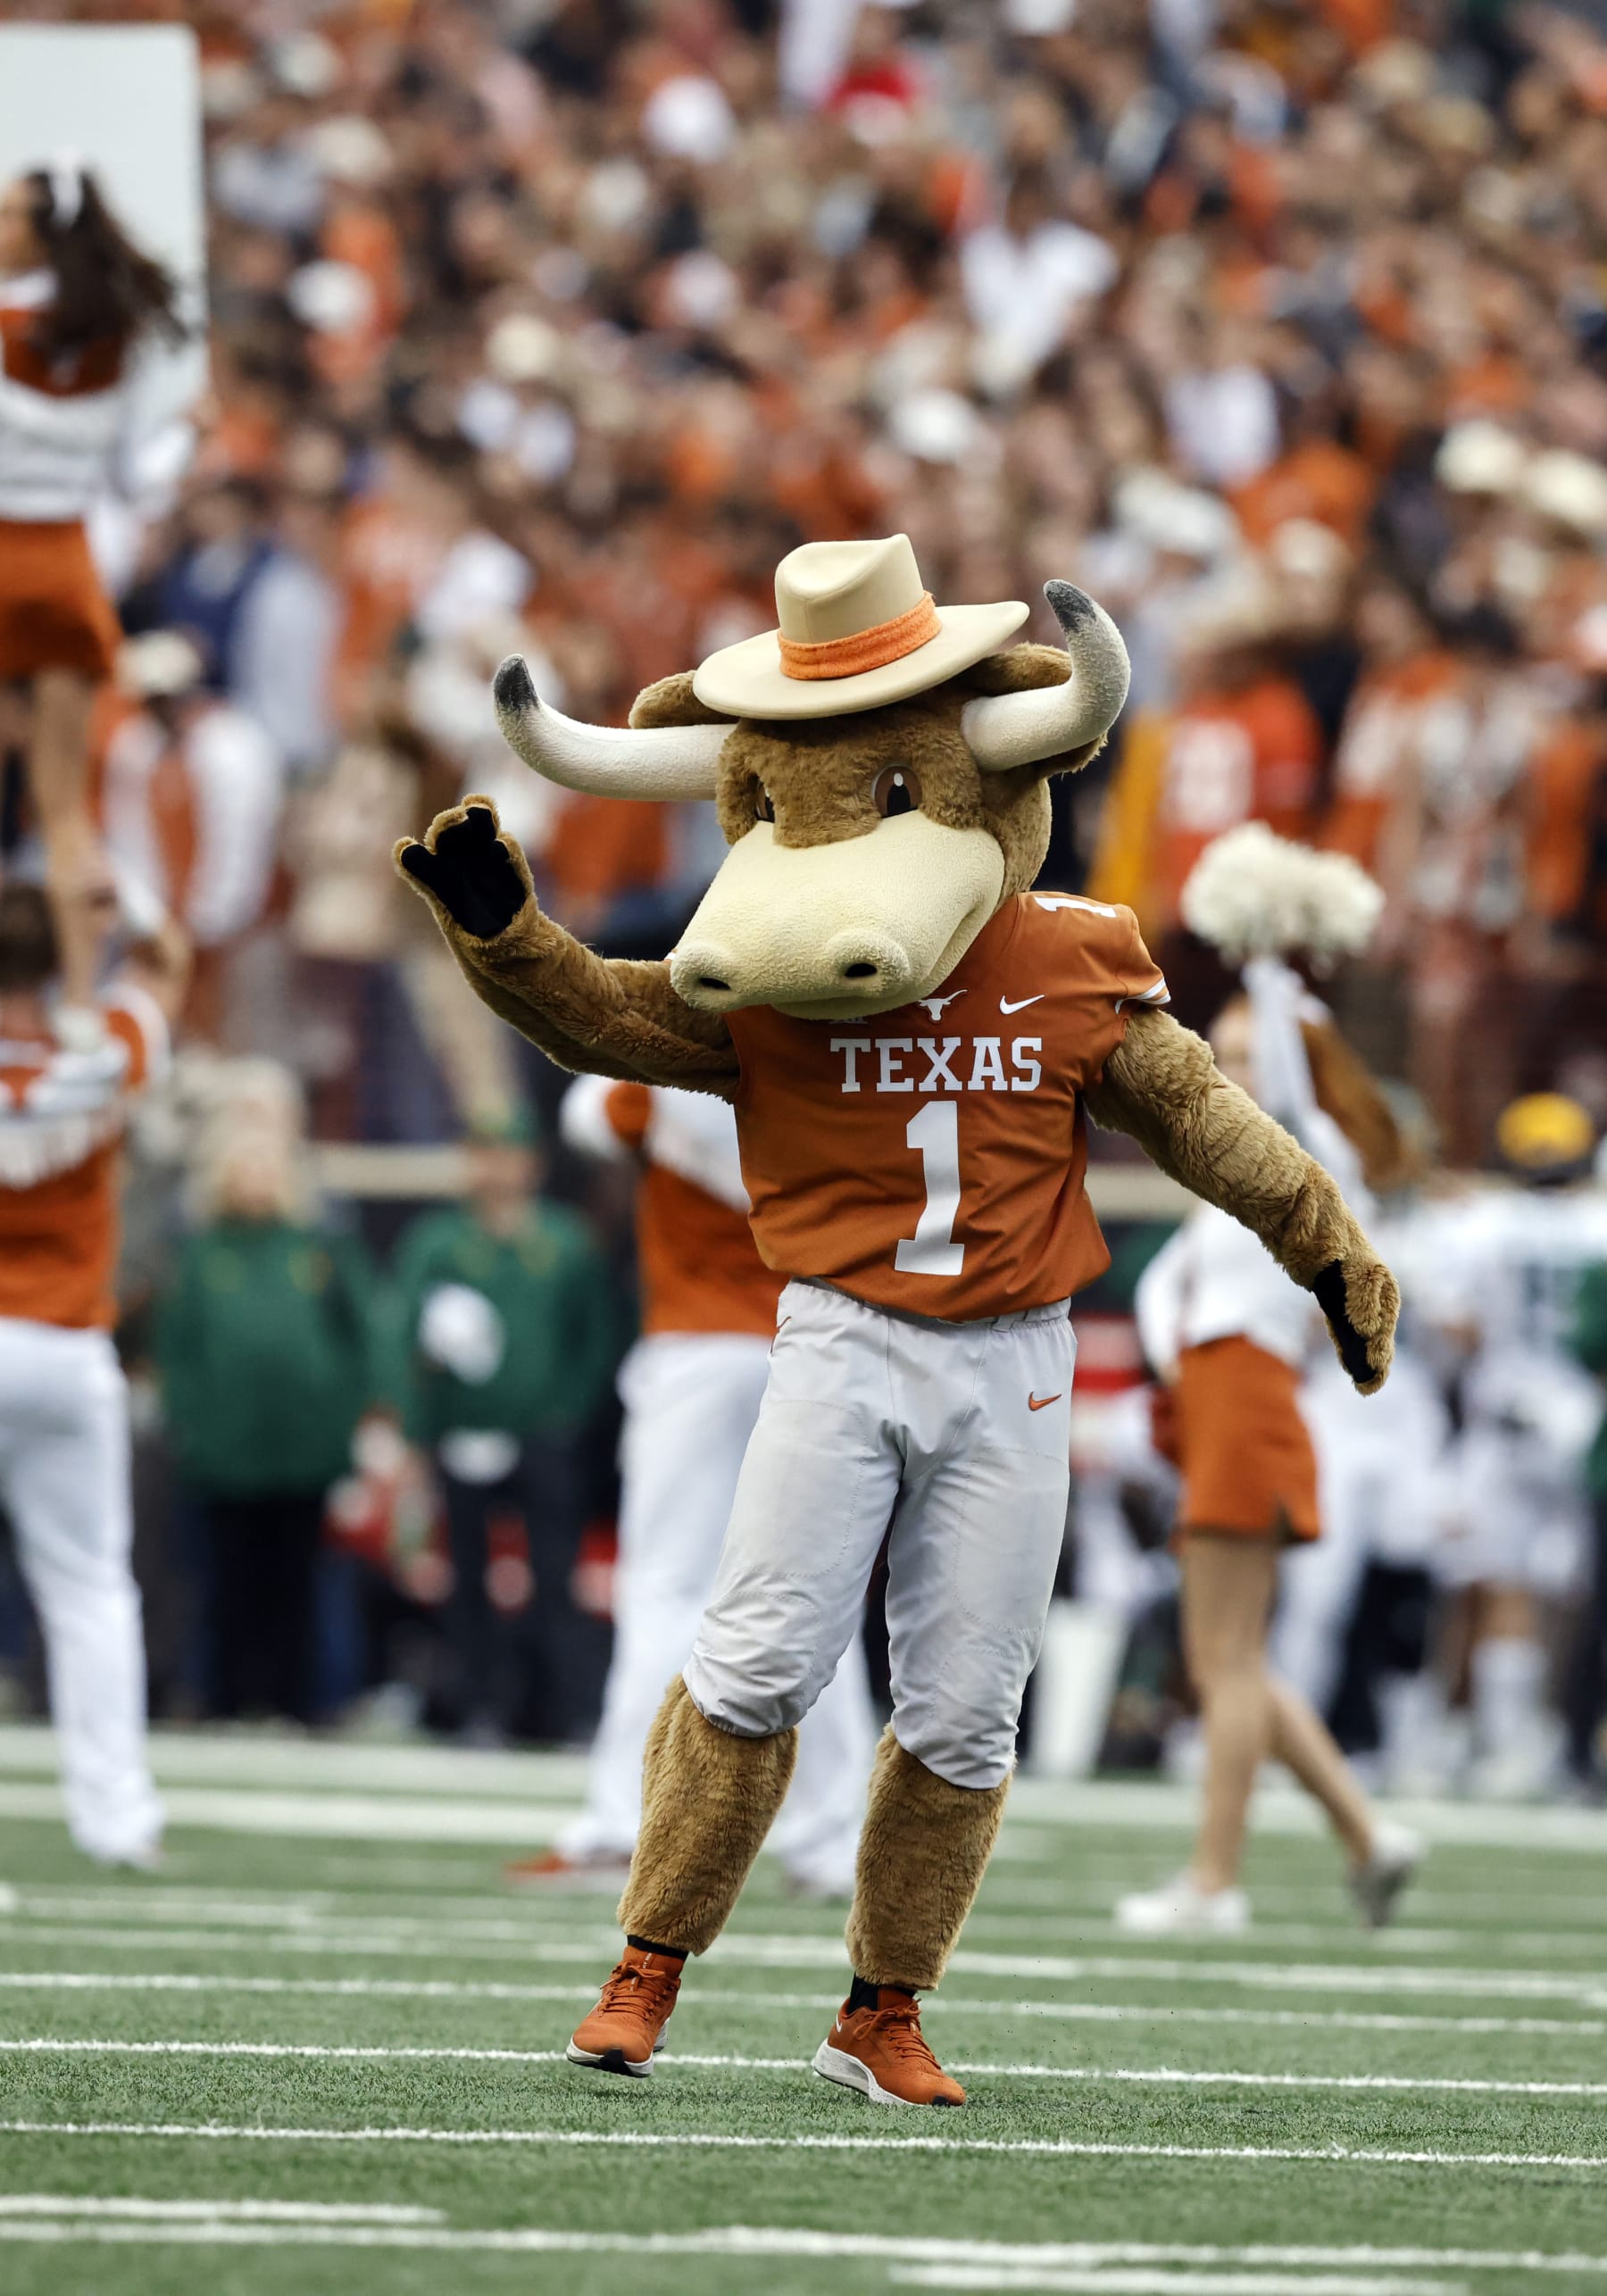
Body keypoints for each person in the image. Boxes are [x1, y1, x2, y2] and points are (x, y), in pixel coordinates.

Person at [1122, 832, 1421, 1935]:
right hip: (1220, 1405)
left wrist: (1264, 963)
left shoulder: (1307, 1151)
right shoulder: (1235, 1176)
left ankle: (1212, 1882)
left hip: (1247, 1400)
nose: (1227, 1074)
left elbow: (1289, 1091)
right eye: (1224, 1055)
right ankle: (1367, 1831)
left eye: (1246, 1058)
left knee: (1224, 1660)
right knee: (1233, 1656)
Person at [508, 1075, 876, 1898]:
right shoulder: (834, 1059)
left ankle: (620, 1823)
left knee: (668, 1592)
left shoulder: (686, 1059)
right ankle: (833, 1840)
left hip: (700, 1347)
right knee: (811, 1602)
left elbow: (590, 1112)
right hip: (811, 1344)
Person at [0, 872, 187, 1865]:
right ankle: (118, 1818)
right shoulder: (105, 1046)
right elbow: (170, 962)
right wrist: (123, 902)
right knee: (90, 1591)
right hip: (69, 1344)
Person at [0, 162, 187, 1014]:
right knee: (64, 808)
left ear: (40, 233)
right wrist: (188, 439)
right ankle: (76, 1005)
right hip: (67, 572)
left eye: (7, 218)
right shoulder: (114, 337)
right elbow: (133, 482)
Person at [154, 1091, 382, 1726]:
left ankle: (304, 1698)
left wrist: (351, 1415)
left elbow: (359, 1331)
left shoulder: (318, 1245)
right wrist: (193, 1421)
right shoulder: (204, 1251)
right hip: (225, 1450)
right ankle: (221, 1695)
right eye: (245, 1165)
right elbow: (179, 1347)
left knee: (301, 1579)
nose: (256, 1179)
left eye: (267, 1166)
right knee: (225, 1580)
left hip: (305, 1448)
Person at [391, 1105, 614, 1743]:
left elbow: (593, 1337)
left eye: (508, 1155)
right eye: (484, 1154)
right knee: (465, 1575)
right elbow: (406, 1335)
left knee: (554, 1574)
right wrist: (420, 1418)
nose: (497, 1170)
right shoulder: (438, 1243)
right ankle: (478, 1706)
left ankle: (564, 1710)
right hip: (462, 1431)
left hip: (544, 1435)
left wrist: (566, 1411)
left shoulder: (565, 1242)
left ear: (532, 1165)